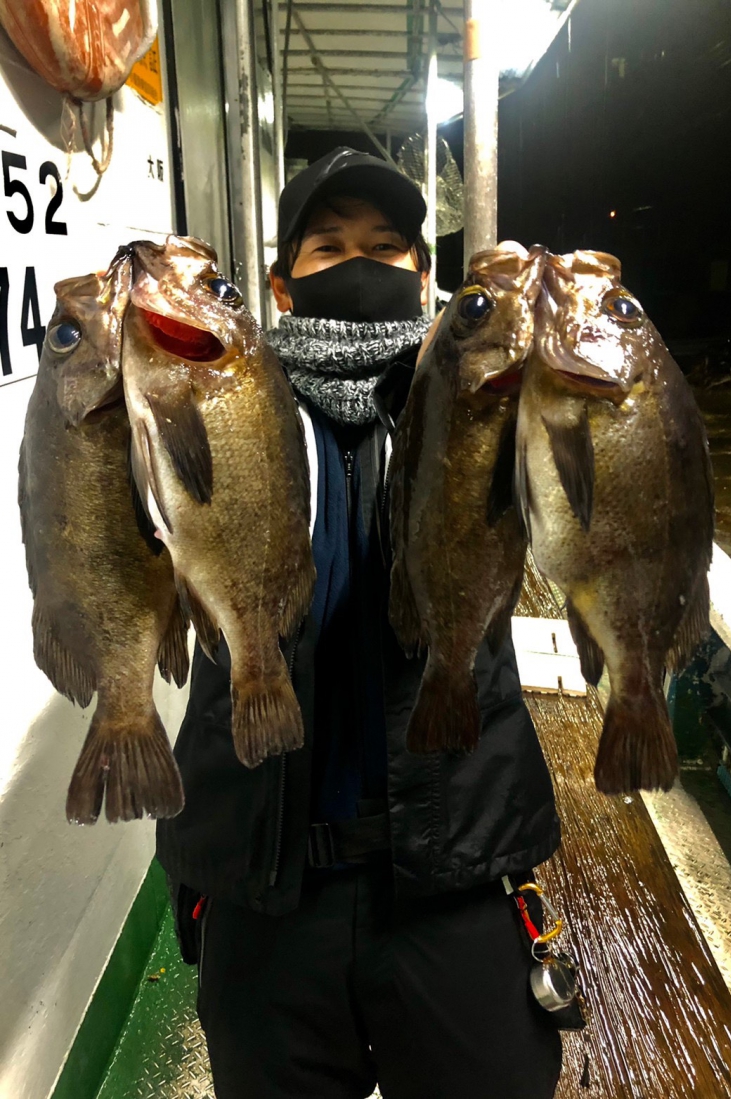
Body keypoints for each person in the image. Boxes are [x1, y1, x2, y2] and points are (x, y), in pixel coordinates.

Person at [157, 146, 563, 1099]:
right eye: (329, 246)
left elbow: (585, 482)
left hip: (455, 869)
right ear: (280, 284)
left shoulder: (476, 393)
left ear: (423, 276)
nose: (359, 264)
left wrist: (550, 336)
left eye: (385, 247)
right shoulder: (213, 400)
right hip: (265, 882)